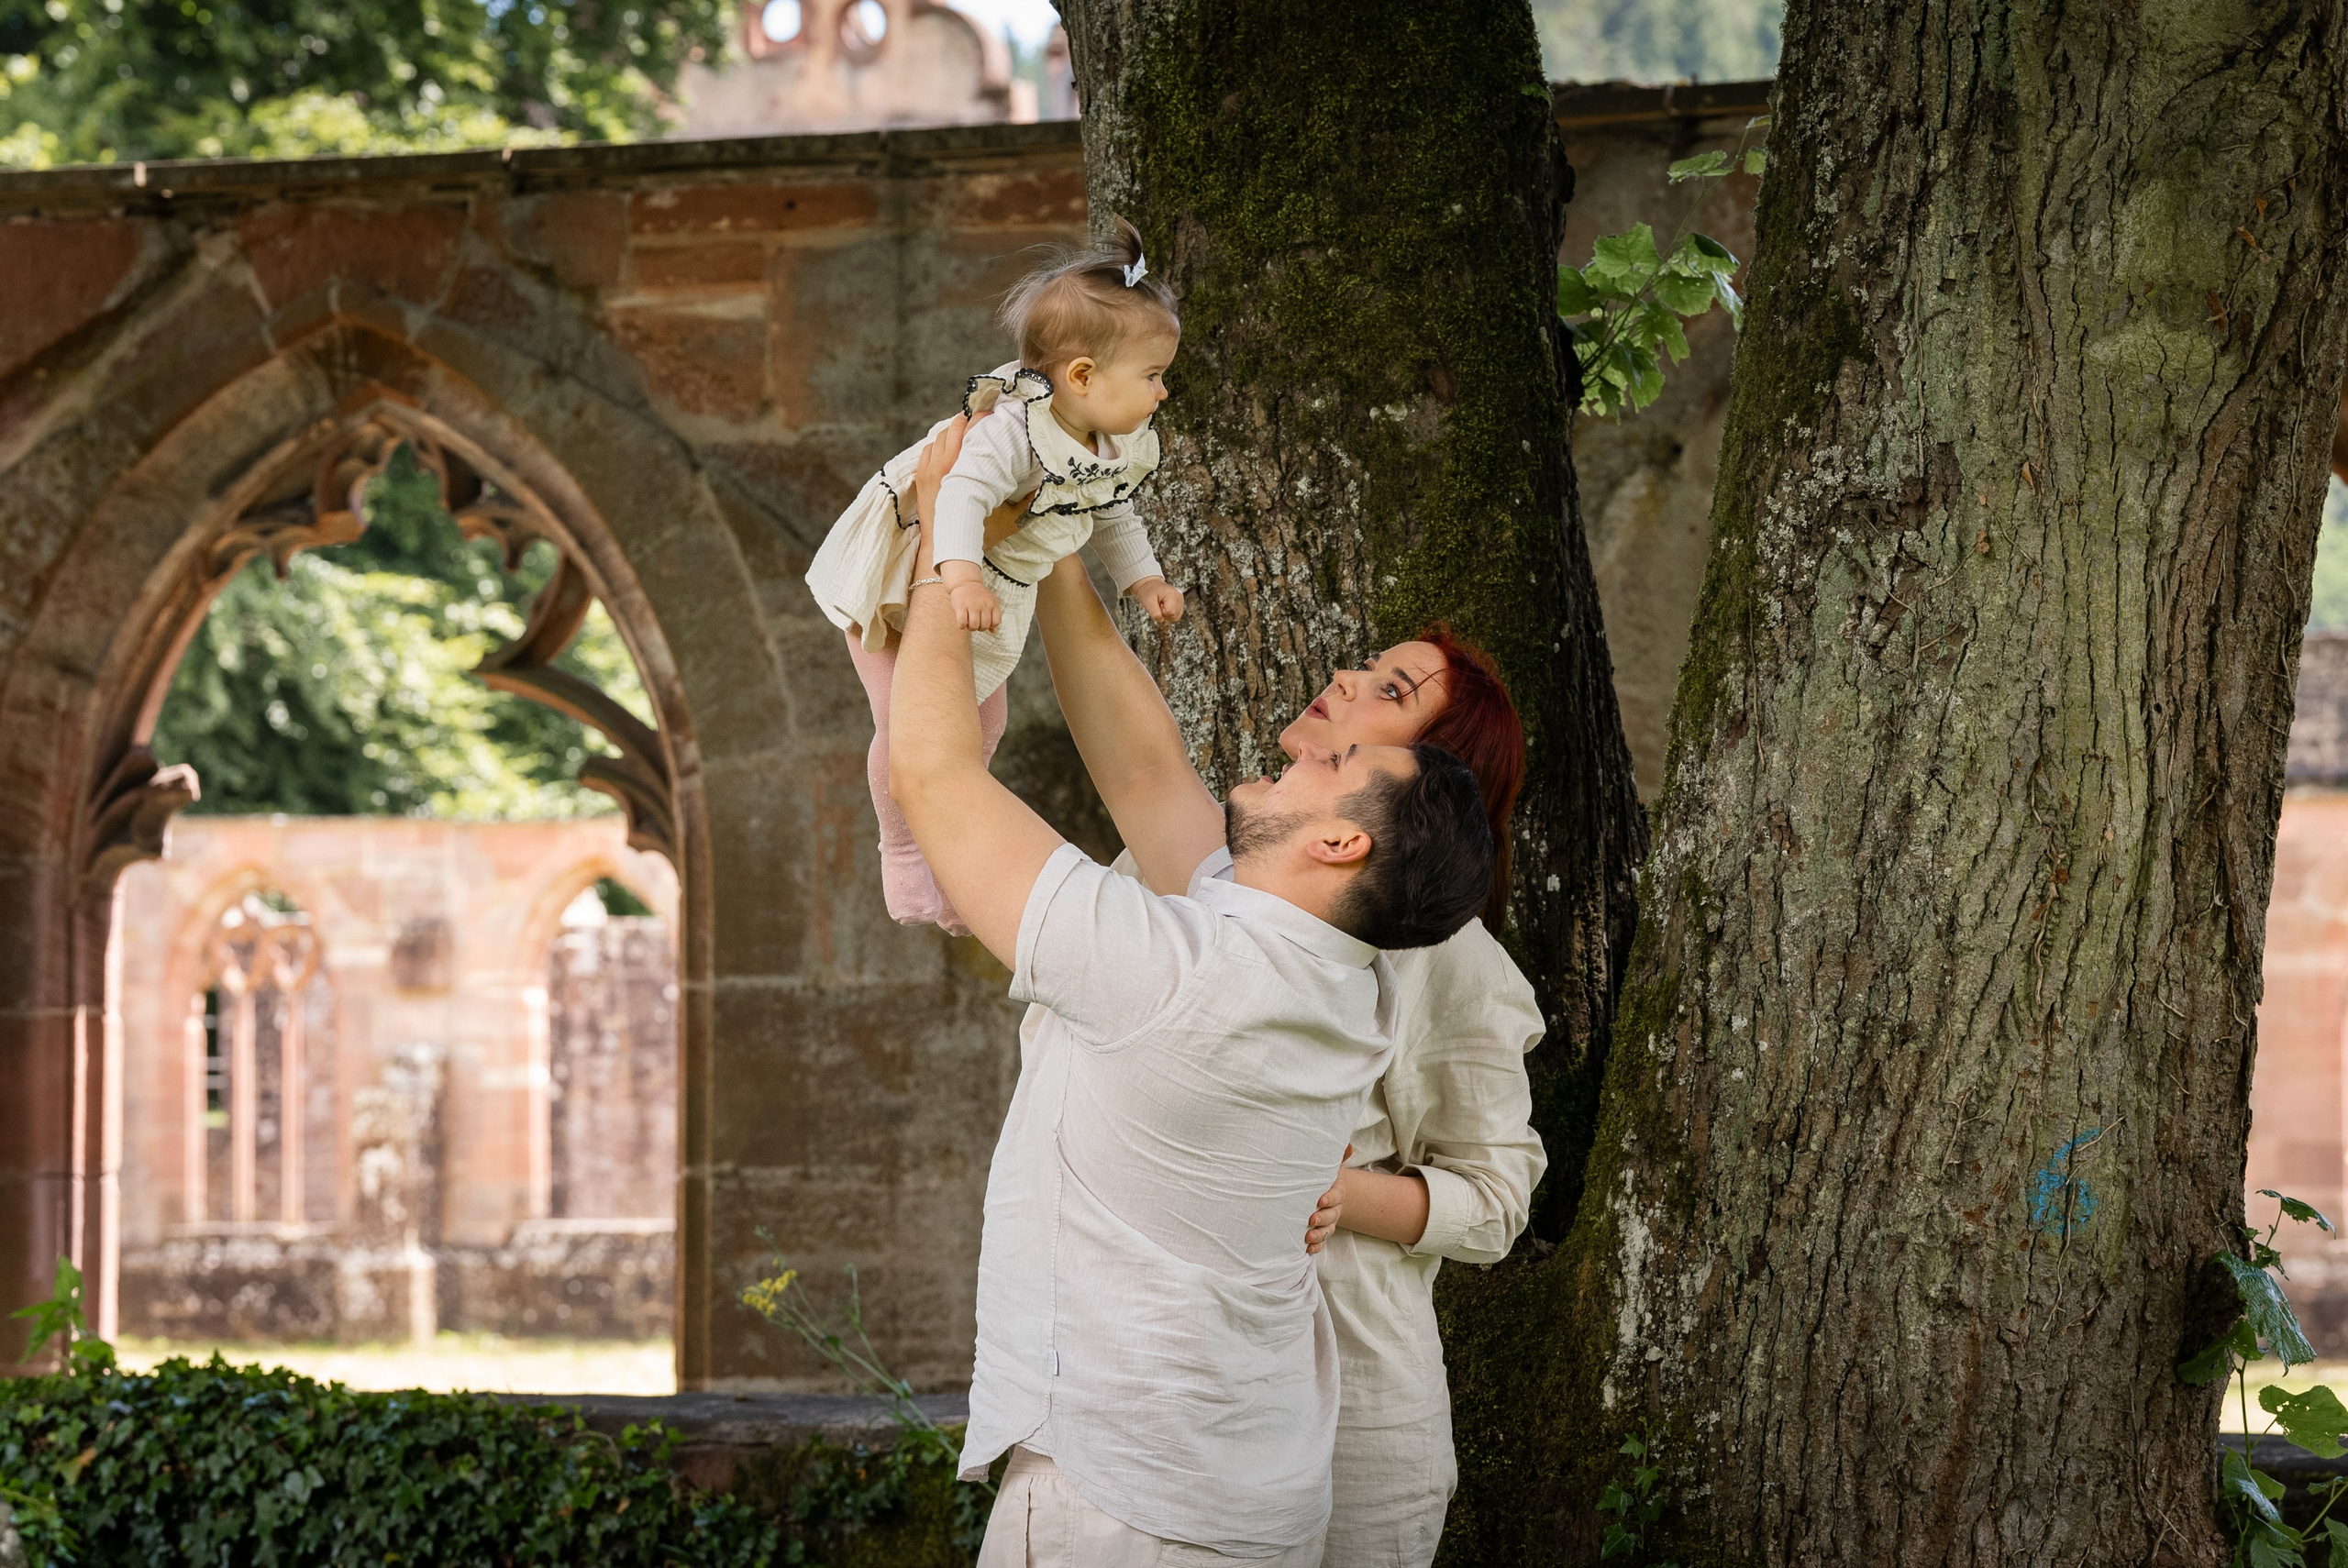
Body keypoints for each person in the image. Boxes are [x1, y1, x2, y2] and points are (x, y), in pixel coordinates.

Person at [887, 436, 1497, 1565]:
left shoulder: (1177, 970)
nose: (1306, 743)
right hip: (1243, 1495)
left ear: (1339, 838)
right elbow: (1143, 769)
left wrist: (946, 542)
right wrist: (1058, 527)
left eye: (1333, 763)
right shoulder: (1331, 978)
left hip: (1126, 1506)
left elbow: (934, 776)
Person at [803, 215, 1187, 933]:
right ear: (1082, 376)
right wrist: (962, 580)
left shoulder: (1105, 439)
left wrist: (1144, 580)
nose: (1163, 393)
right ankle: (905, 855)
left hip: (985, 589)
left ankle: (949, 857)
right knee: (906, 726)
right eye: (1154, 376)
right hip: (906, 578)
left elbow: (1111, 511)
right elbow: (954, 497)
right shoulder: (1010, 432)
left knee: (983, 723)